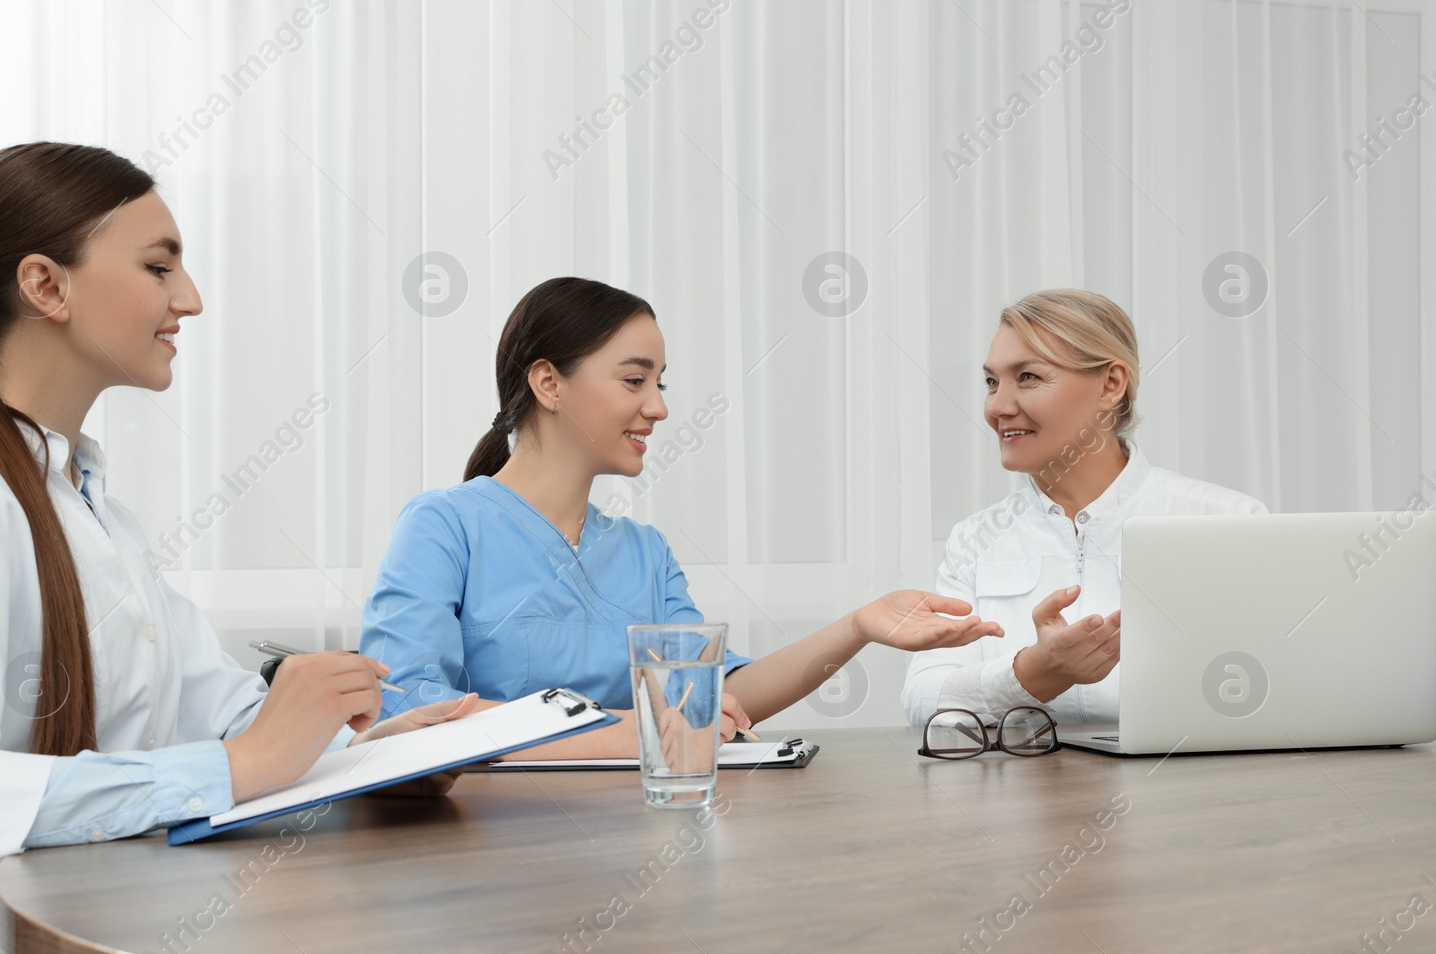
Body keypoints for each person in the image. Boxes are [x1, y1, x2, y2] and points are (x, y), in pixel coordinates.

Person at [0, 143, 475, 954]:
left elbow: (215, 711)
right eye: (158, 265)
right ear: (46, 285)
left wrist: (378, 751)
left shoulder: (94, 512)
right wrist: (237, 765)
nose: (190, 298)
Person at [361, 277, 1003, 756]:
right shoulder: (444, 527)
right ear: (549, 384)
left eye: (660, 384)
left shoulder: (645, 552)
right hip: (487, 855)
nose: (659, 409)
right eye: (635, 381)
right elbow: (416, 716)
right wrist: (641, 732)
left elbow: (713, 696)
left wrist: (859, 626)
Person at [901, 289, 1267, 727]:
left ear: (1111, 384)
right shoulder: (975, 540)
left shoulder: (1227, 522)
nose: (997, 406)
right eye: (991, 382)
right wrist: (1031, 674)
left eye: (1029, 377)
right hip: (1021, 794)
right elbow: (924, 700)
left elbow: (1270, 689)